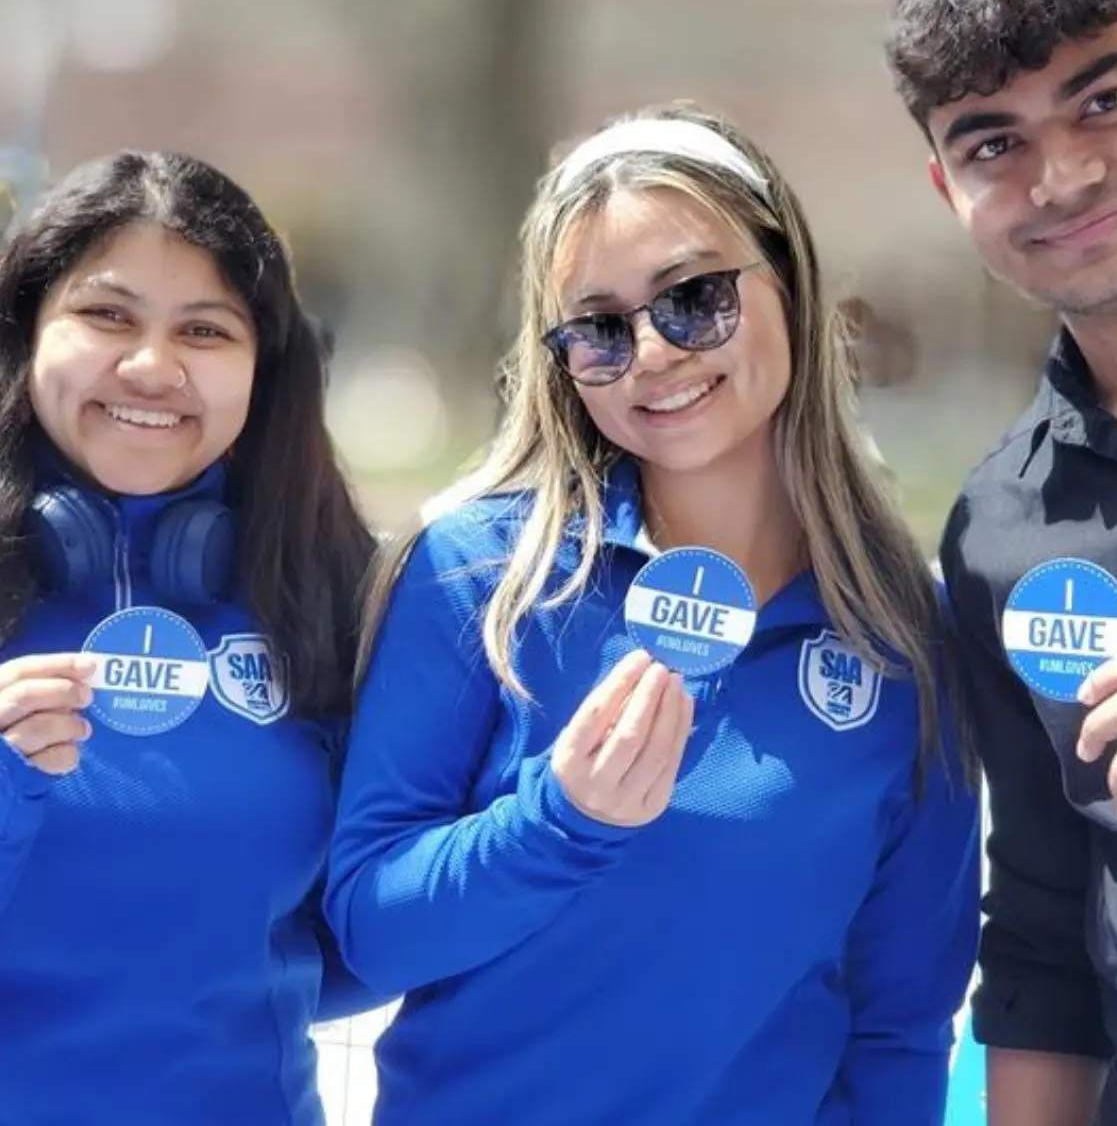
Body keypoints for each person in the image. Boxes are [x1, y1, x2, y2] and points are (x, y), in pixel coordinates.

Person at [325, 102, 980, 1125]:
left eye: (695, 298)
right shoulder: (480, 574)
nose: (652, 352)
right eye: (598, 329)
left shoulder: (904, 633)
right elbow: (368, 933)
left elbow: (901, 1022)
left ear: (791, 284)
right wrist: (556, 825)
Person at [886, 0, 1117, 1124]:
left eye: (1106, 100)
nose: (1061, 179)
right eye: (993, 143)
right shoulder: (998, 529)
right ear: (945, 188)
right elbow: (1042, 931)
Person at [0, 150, 380, 1124]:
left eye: (205, 330)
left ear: (266, 370)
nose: (151, 367)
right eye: (107, 315)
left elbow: (372, 932)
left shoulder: (338, 593)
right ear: (27, 334)